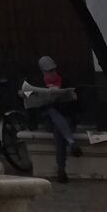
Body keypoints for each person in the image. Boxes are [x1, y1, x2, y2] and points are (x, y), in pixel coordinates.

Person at [31, 55, 82, 184]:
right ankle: (71, 143)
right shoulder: (38, 83)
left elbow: (78, 104)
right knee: (52, 112)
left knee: (58, 131)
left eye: (53, 70)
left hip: (67, 118)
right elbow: (34, 104)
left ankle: (61, 169)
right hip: (49, 119)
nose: (52, 73)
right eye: (49, 71)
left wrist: (73, 97)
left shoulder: (65, 81)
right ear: (43, 72)